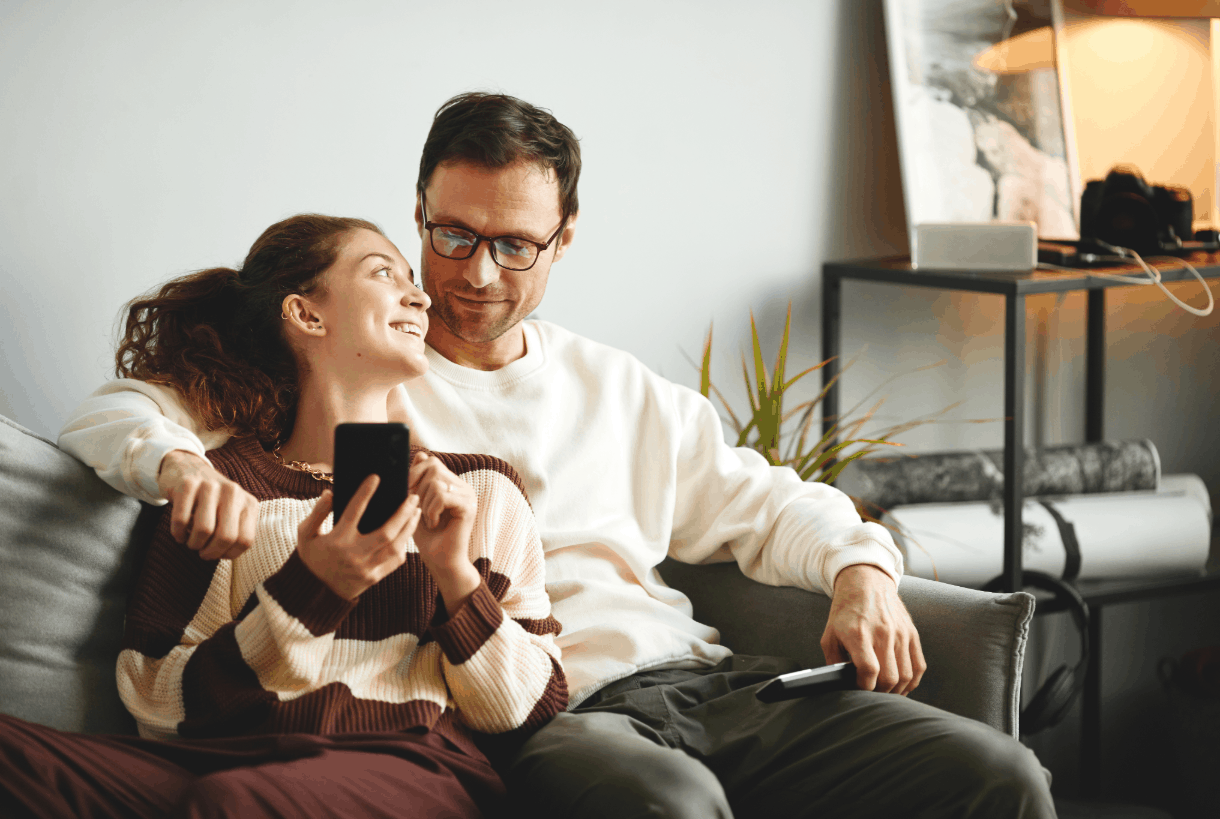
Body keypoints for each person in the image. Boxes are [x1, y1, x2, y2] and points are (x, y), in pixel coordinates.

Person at [58, 93, 1057, 817]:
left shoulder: (615, 388)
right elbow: (121, 413)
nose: (473, 274)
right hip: (561, 712)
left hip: (714, 682)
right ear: (417, 218)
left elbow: (765, 502)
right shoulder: (352, 379)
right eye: (449, 237)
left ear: (562, 240)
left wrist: (859, 572)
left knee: (1000, 778)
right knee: (664, 802)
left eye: (513, 245)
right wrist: (179, 466)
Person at [3, 214, 566, 818]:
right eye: (384, 272)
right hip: (220, 759)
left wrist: (455, 576)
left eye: (412, 278)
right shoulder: (220, 485)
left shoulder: (479, 491)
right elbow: (157, 702)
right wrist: (309, 591)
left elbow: (528, 709)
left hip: (408, 764)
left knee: (235, 800)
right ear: (306, 315)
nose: (420, 293)